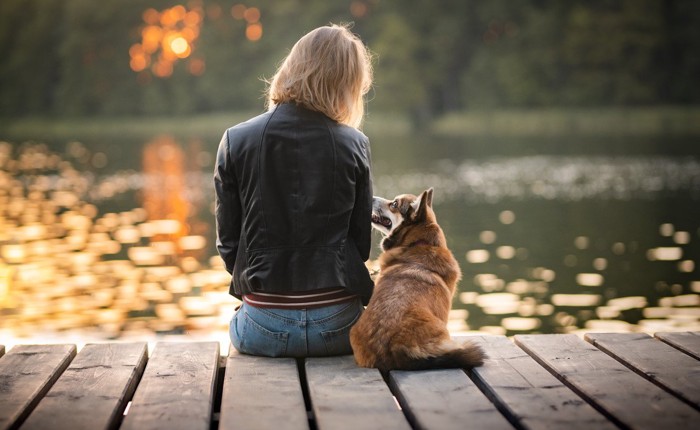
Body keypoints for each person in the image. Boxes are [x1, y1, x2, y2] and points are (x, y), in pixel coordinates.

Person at [214, 24, 375, 357]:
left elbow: (228, 244)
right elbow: (361, 244)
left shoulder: (235, 140)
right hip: (341, 328)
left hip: (262, 328)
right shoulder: (355, 144)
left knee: (238, 324)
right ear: (347, 84)